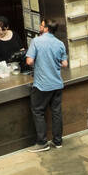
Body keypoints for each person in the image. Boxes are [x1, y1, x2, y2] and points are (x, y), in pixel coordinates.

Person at [26, 19, 69, 151]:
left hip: (42, 85)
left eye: (41, 25)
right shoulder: (60, 43)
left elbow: (29, 61)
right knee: (56, 112)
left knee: (38, 111)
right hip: (57, 83)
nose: (40, 26)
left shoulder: (36, 41)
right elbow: (64, 64)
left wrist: (40, 63)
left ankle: (42, 143)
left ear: (45, 29)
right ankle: (57, 141)